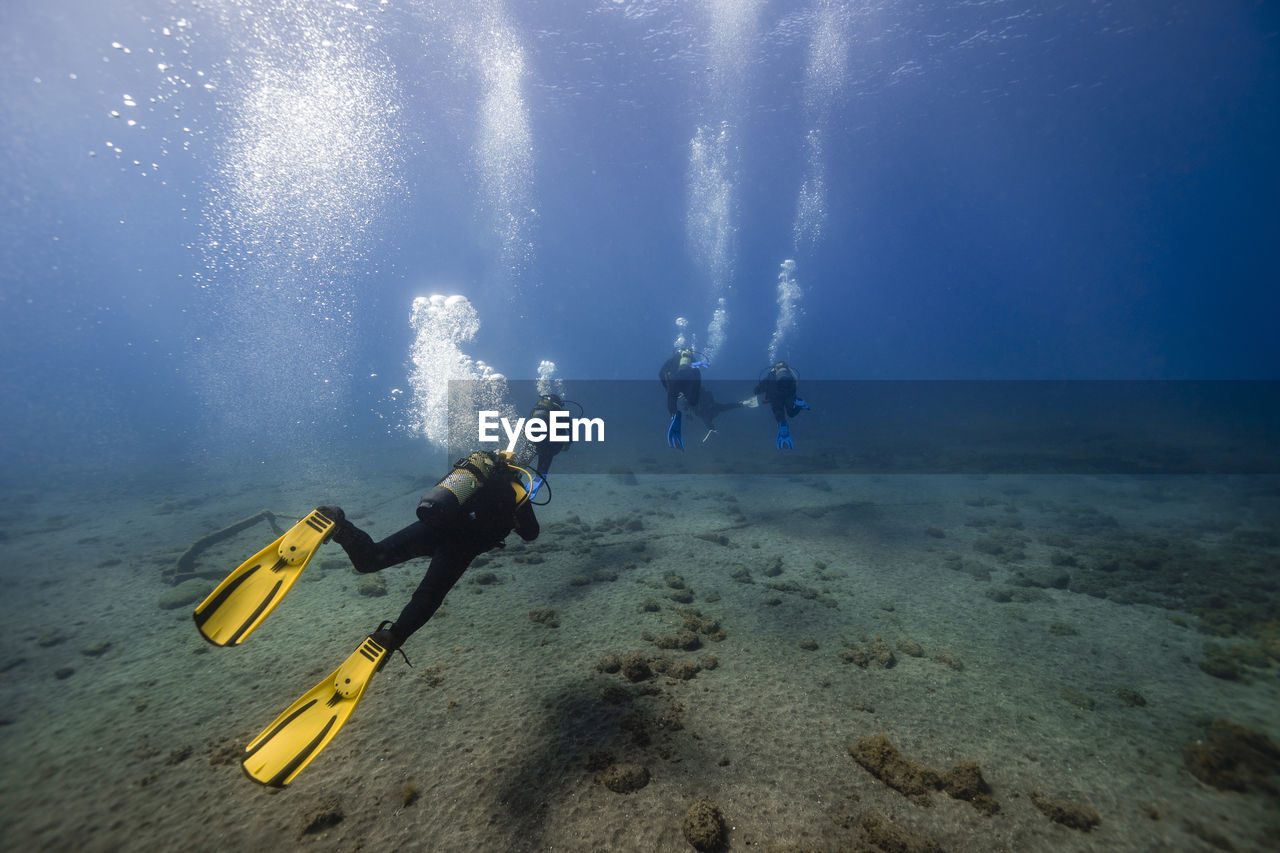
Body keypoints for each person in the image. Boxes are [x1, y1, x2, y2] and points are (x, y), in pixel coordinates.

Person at [197, 449, 540, 786]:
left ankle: (338, 524)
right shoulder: (518, 490)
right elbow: (531, 534)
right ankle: (391, 637)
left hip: (438, 526)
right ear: (517, 470)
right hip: (462, 545)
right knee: (429, 595)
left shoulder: (470, 480)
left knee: (371, 559)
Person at [658, 348, 707, 450]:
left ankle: (675, 414)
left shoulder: (672, 359)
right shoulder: (693, 360)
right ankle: (690, 408)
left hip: (675, 379)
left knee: (672, 398)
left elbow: (661, 373)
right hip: (690, 381)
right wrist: (694, 394)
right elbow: (698, 375)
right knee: (692, 401)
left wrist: (667, 386)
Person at [753, 361, 809, 449]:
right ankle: (800, 402)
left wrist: (764, 389)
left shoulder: (770, 376)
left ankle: (784, 432)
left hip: (775, 397)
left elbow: (756, 391)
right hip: (788, 394)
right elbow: (795, 387)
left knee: (779, 415)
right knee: (791, 413)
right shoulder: (790, 375)